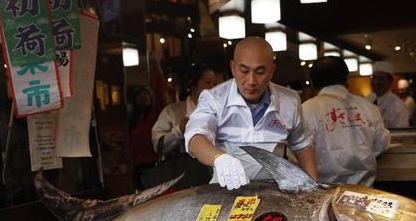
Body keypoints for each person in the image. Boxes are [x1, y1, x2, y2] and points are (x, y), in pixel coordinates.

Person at [184, 37, 318, 190]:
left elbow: (302, 146)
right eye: (244, 71)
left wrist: (313, 191)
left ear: (272, 71)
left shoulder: (290, 100)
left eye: (260, 72)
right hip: (225, 191)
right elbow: (196, 137)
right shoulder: (214, 98)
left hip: (274, 191)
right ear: (233, 68)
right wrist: (219, 158)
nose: (251, 80)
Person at [302, 56, 390, 186]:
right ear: (346, 79)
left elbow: (300, 155)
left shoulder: (307, 109)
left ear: (313, 82)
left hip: (325, 195)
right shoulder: (368, 106)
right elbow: (382, 144)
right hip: (365, 192)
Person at [151, 63, 216, 155]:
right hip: (182, 167)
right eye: (208, 82)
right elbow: (158, 145)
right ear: (193, 84)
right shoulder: (171, 112)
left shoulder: (219, 111)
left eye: (214, 83)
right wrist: (179, 130)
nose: (213, 88)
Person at [129, 87, 164, 188]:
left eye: (146, 95)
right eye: (140, 96)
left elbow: (161, 95)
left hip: (155, 162)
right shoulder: (134, 119)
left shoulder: (156, 115)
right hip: (139, 164)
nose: (143, 98)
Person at [366, 61, 409, 128]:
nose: (376, 82)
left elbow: (401, 135)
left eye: (381, 78)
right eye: (373, 78)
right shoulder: (368, 99)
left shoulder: (399, 107)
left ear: (390, 81)